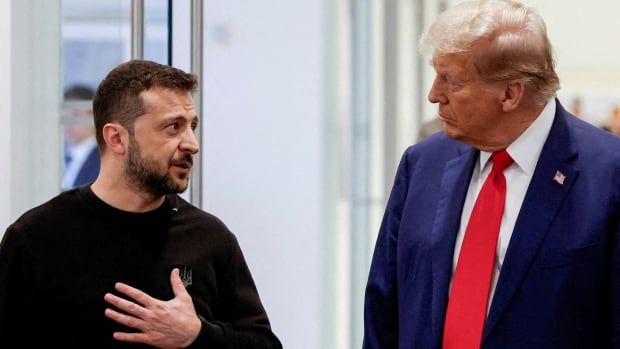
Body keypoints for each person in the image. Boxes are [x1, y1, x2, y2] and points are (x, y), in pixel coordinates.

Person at [363, 1, 620, 348]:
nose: (434, 95)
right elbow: (384, 313)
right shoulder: (422, 165)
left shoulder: (608, 175)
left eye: (452, 81)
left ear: (510, 94)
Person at [0, 60, 282, 348]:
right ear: (117, 138)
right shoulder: (35, 239)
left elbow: (263, 343)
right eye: (173, 127)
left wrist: (198, 335)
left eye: (192, 126)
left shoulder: (208, 237)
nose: (192, 143)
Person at [62, 84, 101, 190]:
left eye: (75, 114)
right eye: (64, 115)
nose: (68, 122)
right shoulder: (56, 159)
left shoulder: (104, 162)